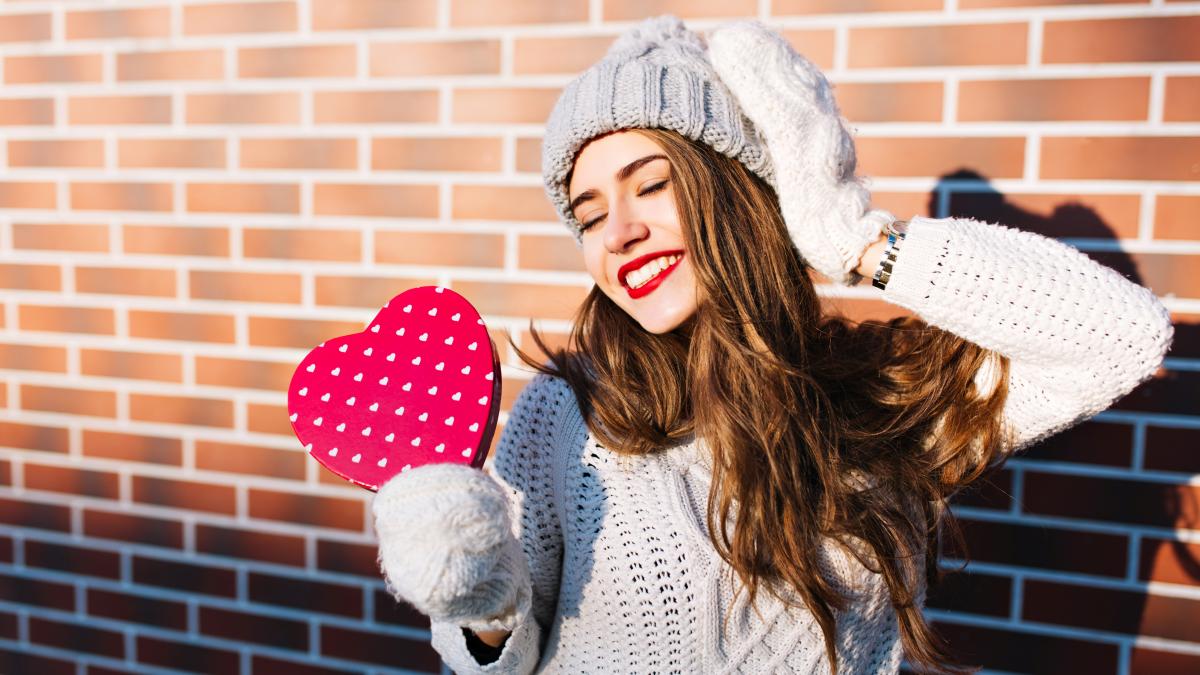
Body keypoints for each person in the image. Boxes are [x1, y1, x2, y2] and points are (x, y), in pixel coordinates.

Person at [370, 15, 1173, 675]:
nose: (617, 231)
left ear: (741, 192)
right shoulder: (567, 416)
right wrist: (480, 612)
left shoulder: (882, 396)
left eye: (652, 184)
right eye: (586, 212)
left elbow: (1120, 335)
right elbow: (499, 661)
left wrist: (856, 237)